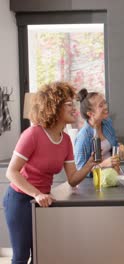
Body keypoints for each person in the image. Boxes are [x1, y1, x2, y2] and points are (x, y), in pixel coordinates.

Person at [3, 82, 97, 263]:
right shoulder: (33, 135)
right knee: (22, 257)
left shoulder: (66, 140)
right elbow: (12, 172)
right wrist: (37, 194)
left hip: (44, 200)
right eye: (69, 104)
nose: (74, 109)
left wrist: (89, 165)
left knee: (43, 252)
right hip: (20, 199)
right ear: (54, 106)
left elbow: (72, 179)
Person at [74, 88, 120, 174]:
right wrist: (103, 165)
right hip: (95, 182)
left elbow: (115, 145)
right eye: (101, 105)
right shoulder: (83, 137)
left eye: (105, 103)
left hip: (112, 175)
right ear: (90, 114)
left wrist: (119, 150)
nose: (106, 107)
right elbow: (80, 171)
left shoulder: (107, 123)